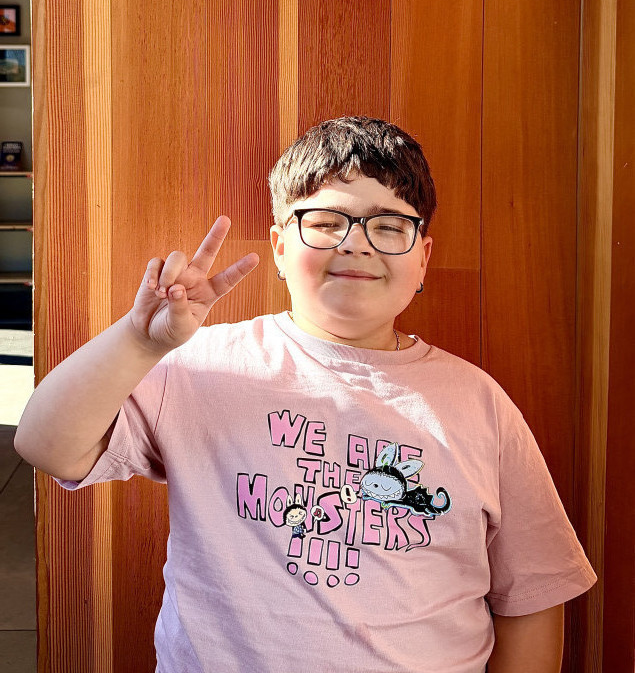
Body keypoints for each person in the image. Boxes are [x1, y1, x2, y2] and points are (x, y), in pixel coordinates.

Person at [14, 116, 596, 673]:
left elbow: (533, 594)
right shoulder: (199, 365)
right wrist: (139, 343)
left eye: (390, 226)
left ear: (423, 257)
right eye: (325, 222)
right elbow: (45, 445)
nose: (356, 244)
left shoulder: (479, 403)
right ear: (279, 246)